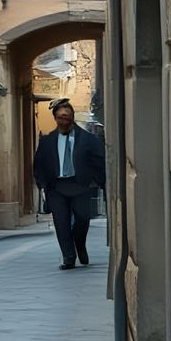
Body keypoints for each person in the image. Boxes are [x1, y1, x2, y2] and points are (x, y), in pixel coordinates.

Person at [32, 98, 105, 269]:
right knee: (61, 222)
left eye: (66, 117)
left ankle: (80, 244)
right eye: (60, 117)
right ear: (55, 118)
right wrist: (42, 185)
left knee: (82, 220)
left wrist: (96, 181)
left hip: (80, 186)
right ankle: (69, 257)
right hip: (56, 187)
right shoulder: (47, 141)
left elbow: (99, 160)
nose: (63, 121)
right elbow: (39, 164)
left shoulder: (88, 139)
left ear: (72, 117)